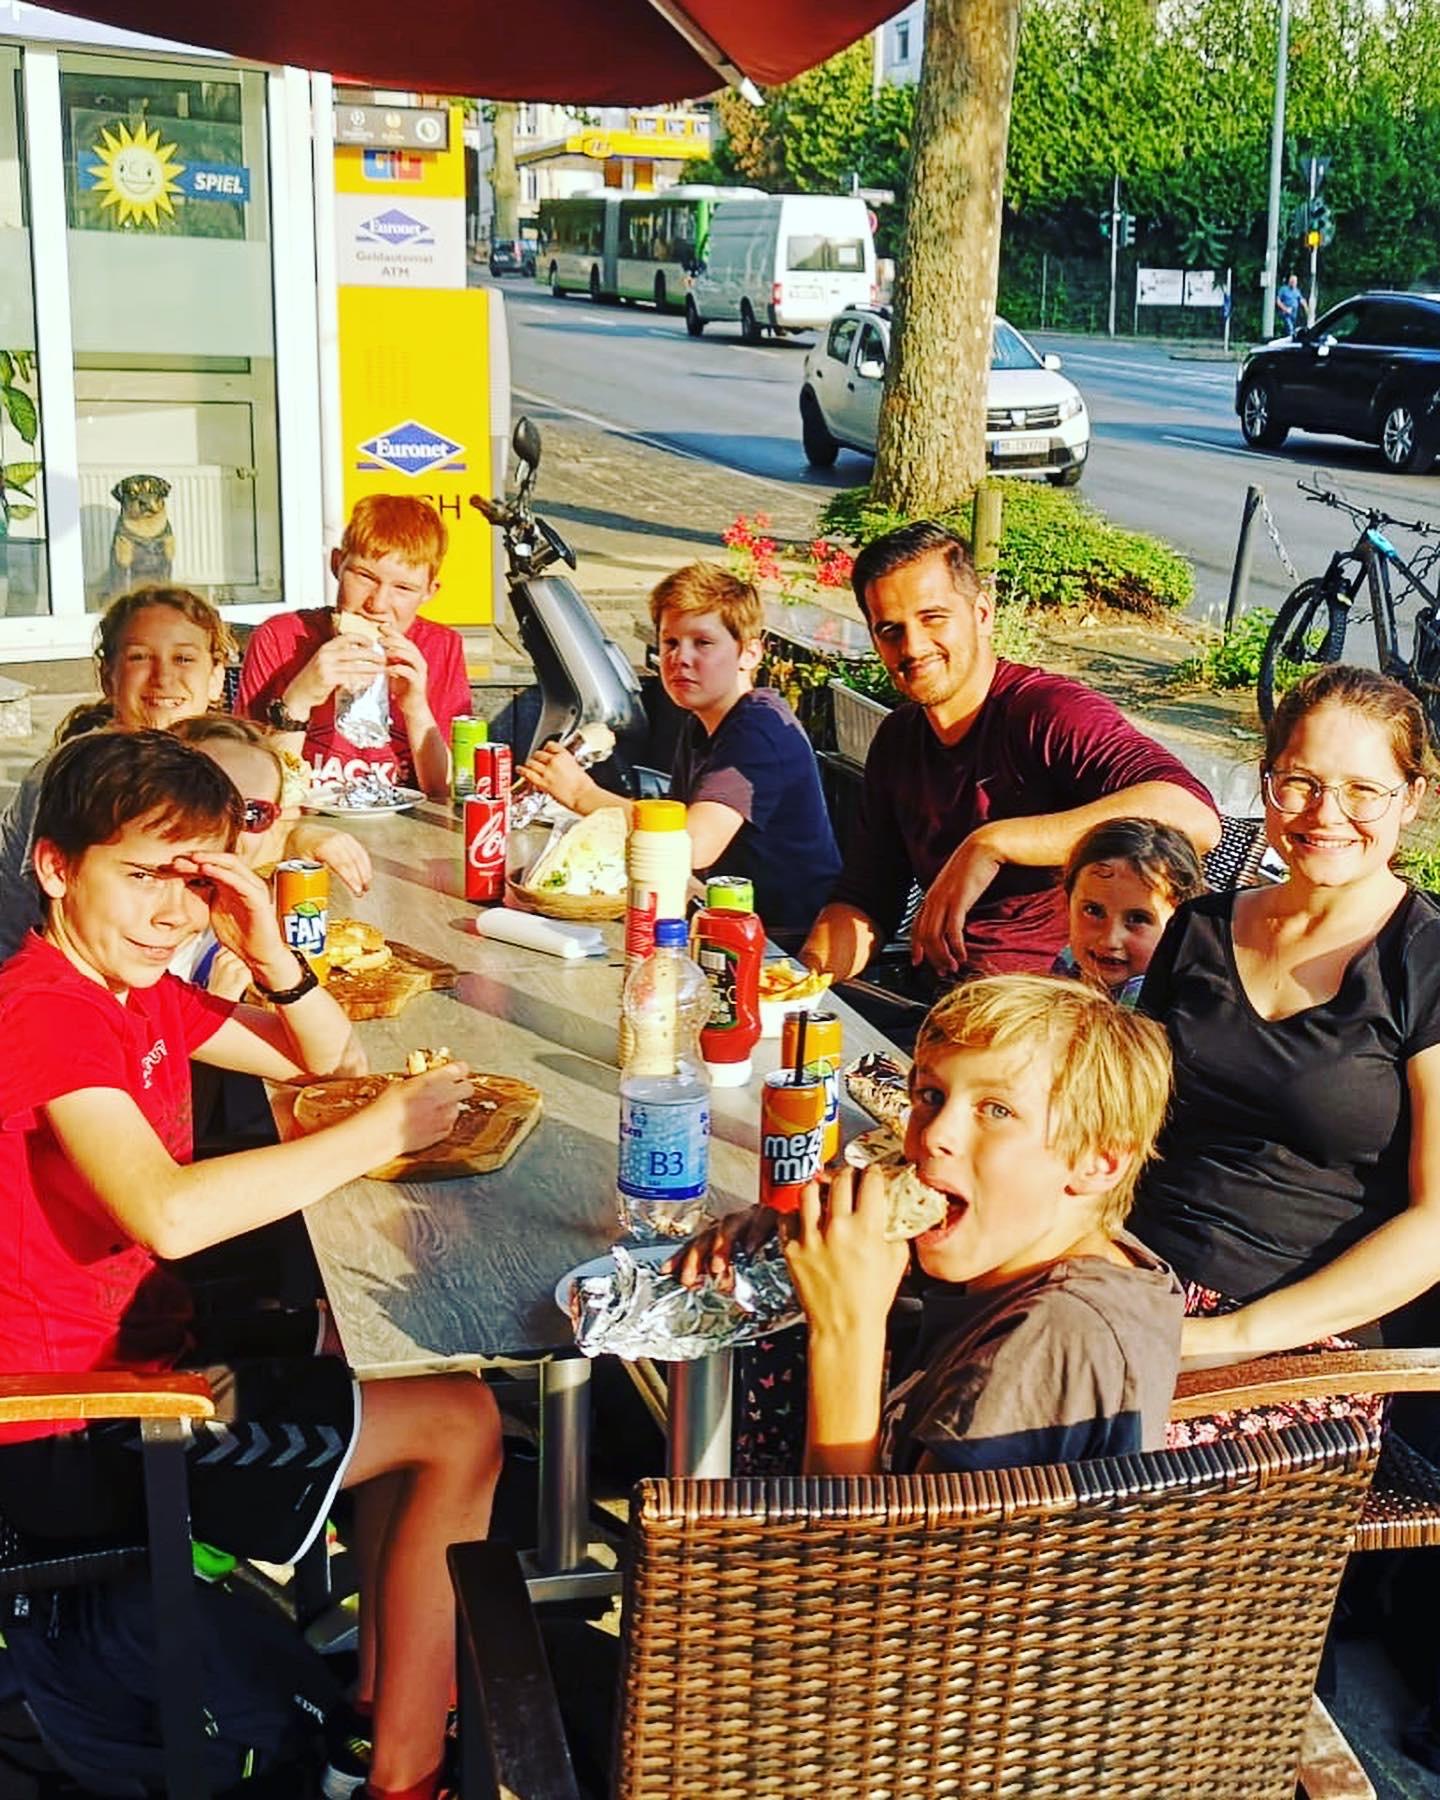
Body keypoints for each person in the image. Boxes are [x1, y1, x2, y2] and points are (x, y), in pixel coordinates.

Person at [0, 730, 499, 1800]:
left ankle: (381, 1713)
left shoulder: (129, 989)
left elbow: (327, 1059)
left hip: (134, 1363)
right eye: (142, 877)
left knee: (410, 1374)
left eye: (192, 882)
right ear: (55, 868)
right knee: (460, 1426)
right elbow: (171, 1216)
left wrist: (272, 950)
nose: (172, 914)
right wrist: (385, 1131)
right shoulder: (46, 1012)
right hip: (68, 1429)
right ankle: (404, 1772)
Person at [686, 975, 1182, 1475]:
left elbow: (858, 1531)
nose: (934, 1134)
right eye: (931, 1095)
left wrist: (847, 1330)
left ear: (1099, 1162)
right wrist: (800, 1230)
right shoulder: (1027, 1244)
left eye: (997, 1110)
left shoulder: (1051, 1343)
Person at [1131, 665, 1440, 1371]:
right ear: (1267, 781)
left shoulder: (1425, 962)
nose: (1326, 814)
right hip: (1138, 1275)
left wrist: (1229, 1338)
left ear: (1412, 799)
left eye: (1363, 790)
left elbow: (1435, 1224)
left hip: (1304, 1339)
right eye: (1300, 782)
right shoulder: (1200, 928)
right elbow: (1126, 1124)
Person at [799, 521, 1220, 986]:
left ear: (982, 613)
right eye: (890, 629)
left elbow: (1194, 816)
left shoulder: (1048, 713)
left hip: (1045, 1004)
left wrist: (993, 843)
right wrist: (801, 981)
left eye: (933, 618)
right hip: (931, 997)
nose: (912, 646)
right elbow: (866, 900)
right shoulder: (898, 739)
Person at [0, 586, 371, 962]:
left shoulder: (197, 759)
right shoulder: (84, 772)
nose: (163, 677)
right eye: (140, 657)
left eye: (183, 658)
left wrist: (294, 838)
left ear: (215, 678)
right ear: (108, 676)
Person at [518, 562, 840, 933]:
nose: (680, 658)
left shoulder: (758, 729)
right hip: (721, 916)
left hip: (781, 940)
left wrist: (582, 794)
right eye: (670, 642)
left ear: (750, 653)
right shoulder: (700, 721)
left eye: (703, 643)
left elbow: (691, 844)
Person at [236, 495, 470, 799]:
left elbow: (447, 794)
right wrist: (299, 701)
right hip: (303, 820)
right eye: (364, 576)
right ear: (337, 564)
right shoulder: (278, 638)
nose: (377, 604)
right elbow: (250, 790)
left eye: (403, 588)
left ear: (429, 591)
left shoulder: (441, 647)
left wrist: (415, 708)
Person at [1052, 817, 1206, 1008]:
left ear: (1180, 926)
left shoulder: (1168, 1005)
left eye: (1138, 918)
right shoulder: (1069, 962)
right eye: (1093, 911)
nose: (1110, 940)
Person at [1277, 271, 1306, 337]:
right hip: (1285, 313)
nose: (1293, 283)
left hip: (1294, 314)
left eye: (1295, 281)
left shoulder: (1297, 291)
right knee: (1290, 328)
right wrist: (1285, 309)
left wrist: (1306, 307)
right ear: (1289, 281)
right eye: (1292, 281)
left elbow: (1301, 299)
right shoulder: (1283, 289)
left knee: (1293, 329)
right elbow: (1278, 301)